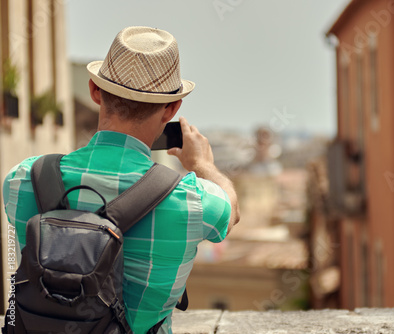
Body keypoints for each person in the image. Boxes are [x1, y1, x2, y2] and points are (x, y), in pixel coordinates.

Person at [2, 26, 240, 334]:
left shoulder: (22, 180)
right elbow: (230, 211)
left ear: (94, 91)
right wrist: (203, 165)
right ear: (172, 108)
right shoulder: (192, 201)